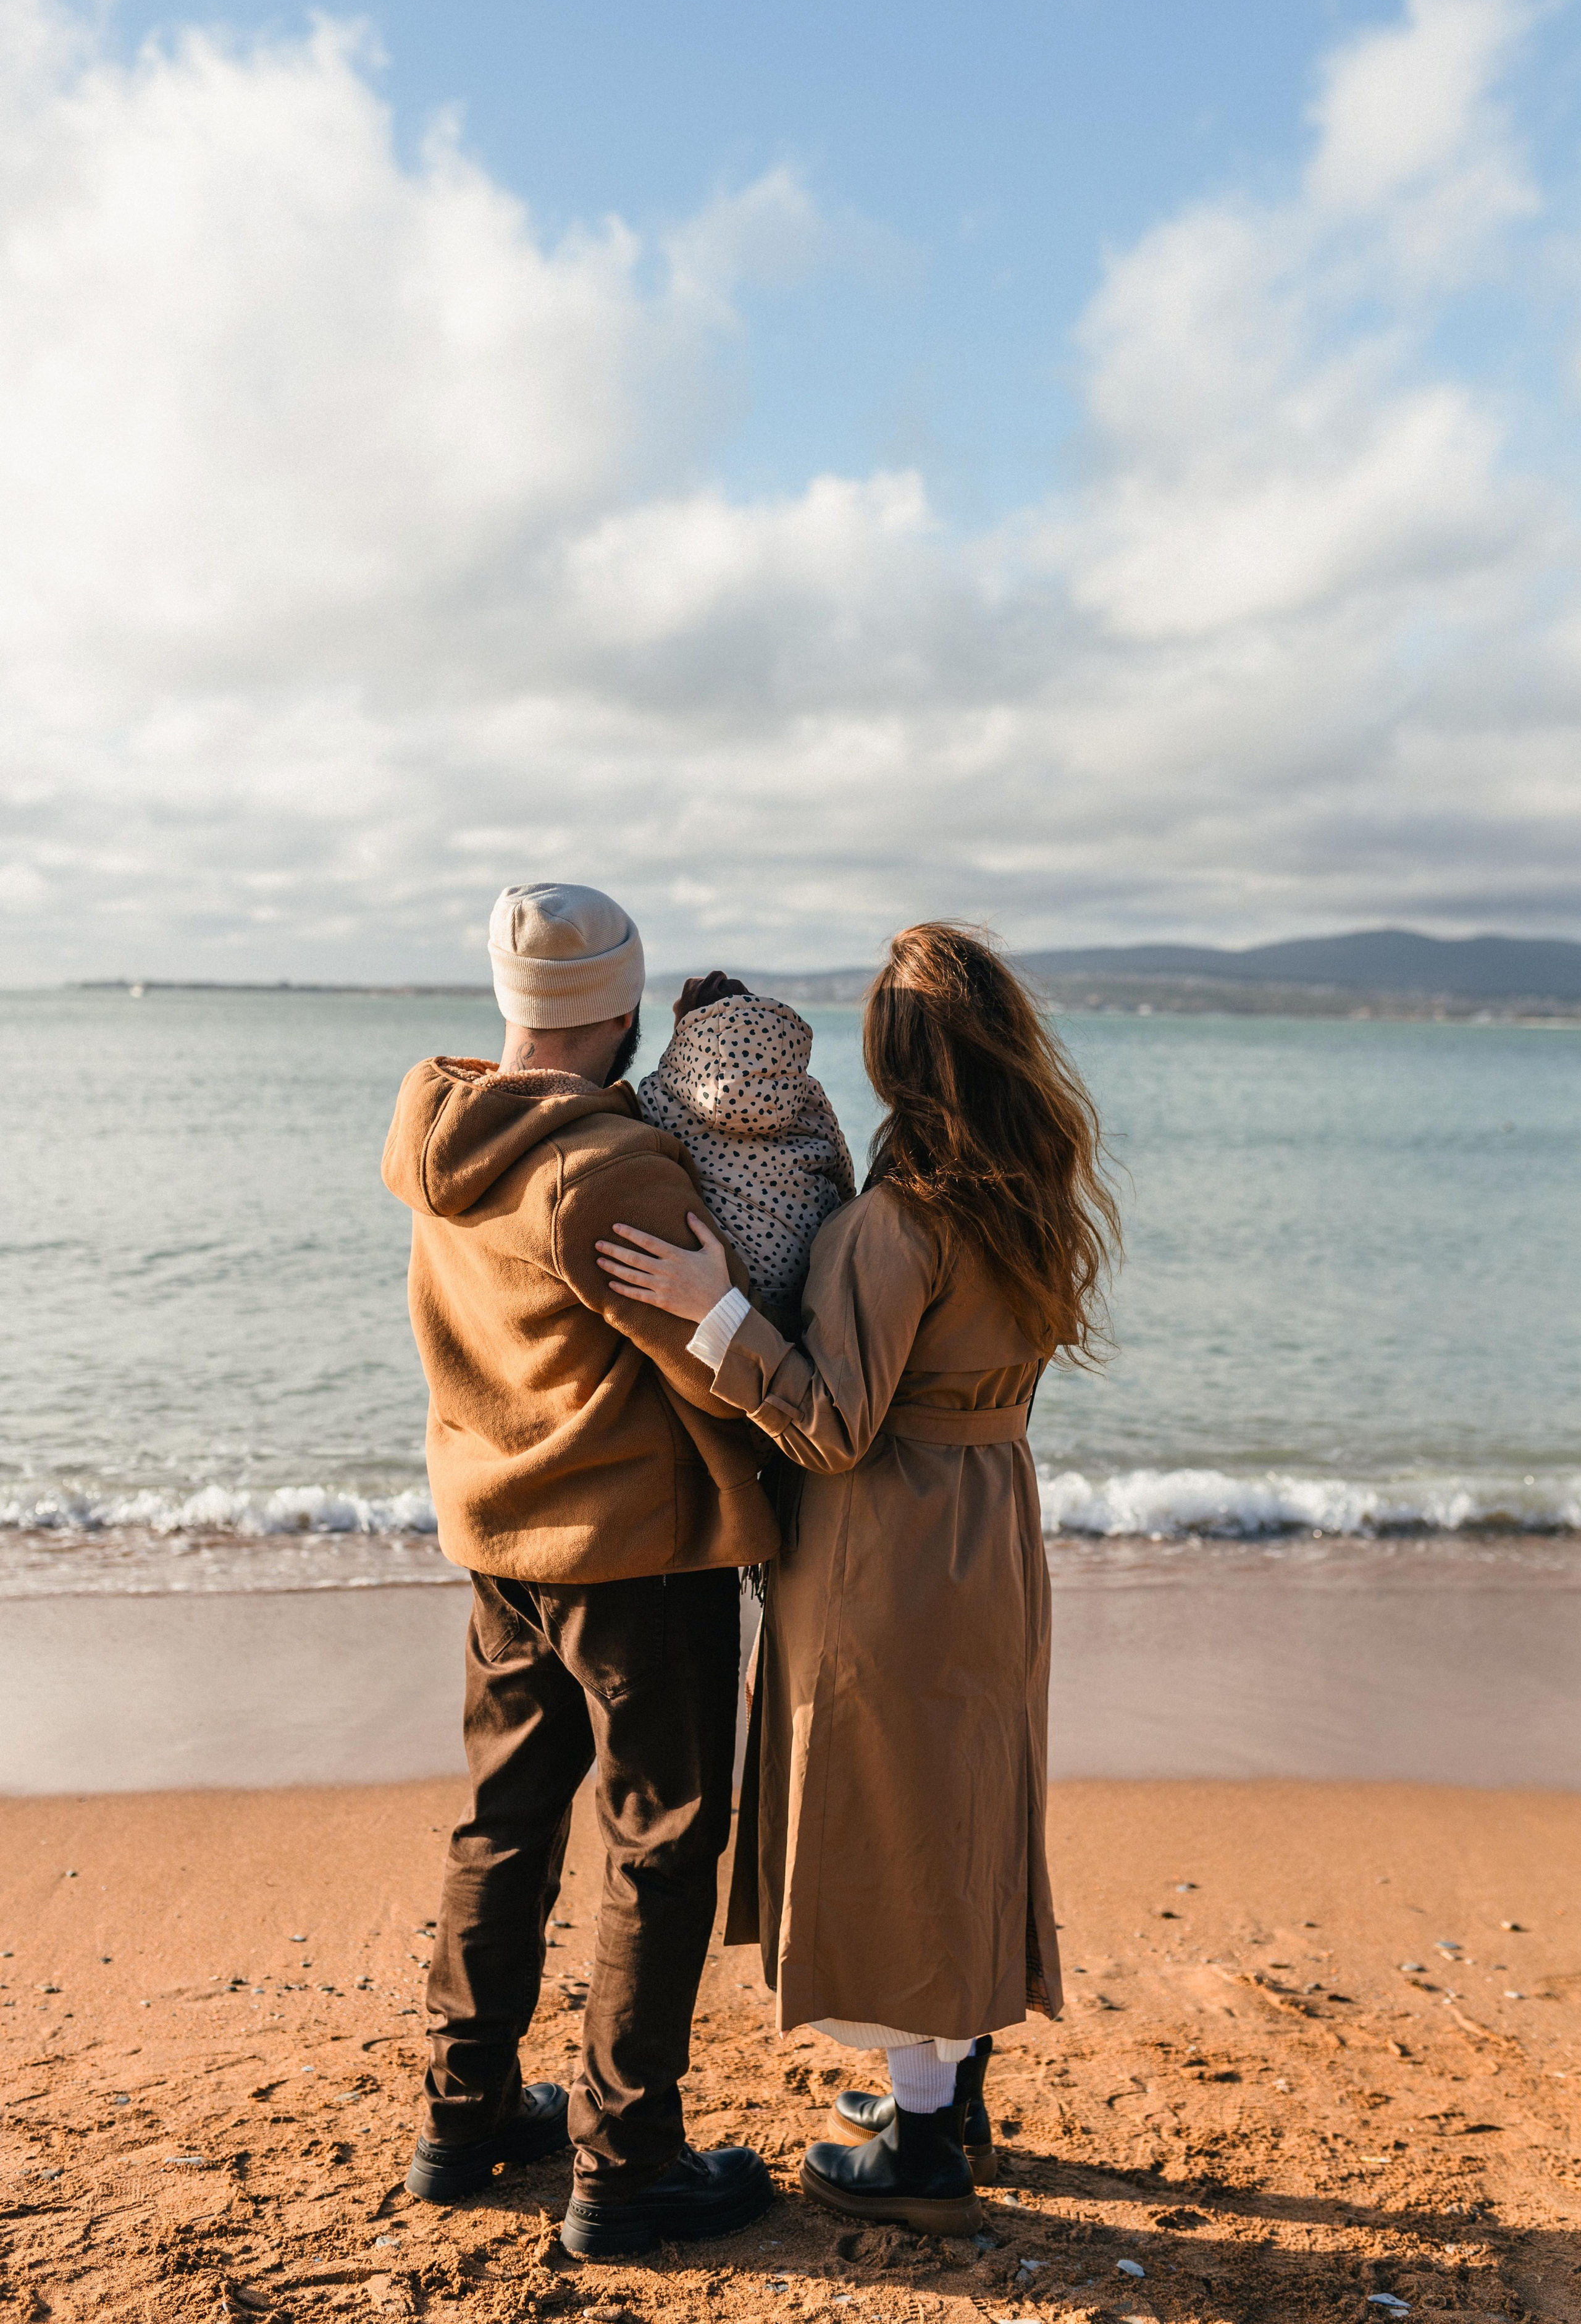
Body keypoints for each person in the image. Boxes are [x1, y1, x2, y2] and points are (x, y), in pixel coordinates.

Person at [597, 922, 1119, 2237]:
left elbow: (831, 1424)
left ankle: (924, 2142)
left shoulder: (901, 1222)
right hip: (993, 1522)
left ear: (890, 1063)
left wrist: (715, 1310)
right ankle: (945, 2094)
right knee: (964, 1796)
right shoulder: (1034, 1192)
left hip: (889, 1546)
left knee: (890, 1816)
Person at [380, 881, 778, 2259]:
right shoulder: (612, 1169)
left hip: (497, 1537)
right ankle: (627, 2168)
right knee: (661, 1845)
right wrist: (739, 1290)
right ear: (618, 1013)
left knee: (502, 1825)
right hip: (637, 1561)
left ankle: (462, 2117)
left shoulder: (445, 1130)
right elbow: (718, 1379)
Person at [637, 975, 855, 1334]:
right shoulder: (807, 1094)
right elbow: (844, 1179)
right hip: (812, 1276)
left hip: (726, 1280)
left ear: (688, 1036)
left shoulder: (660, 1092)